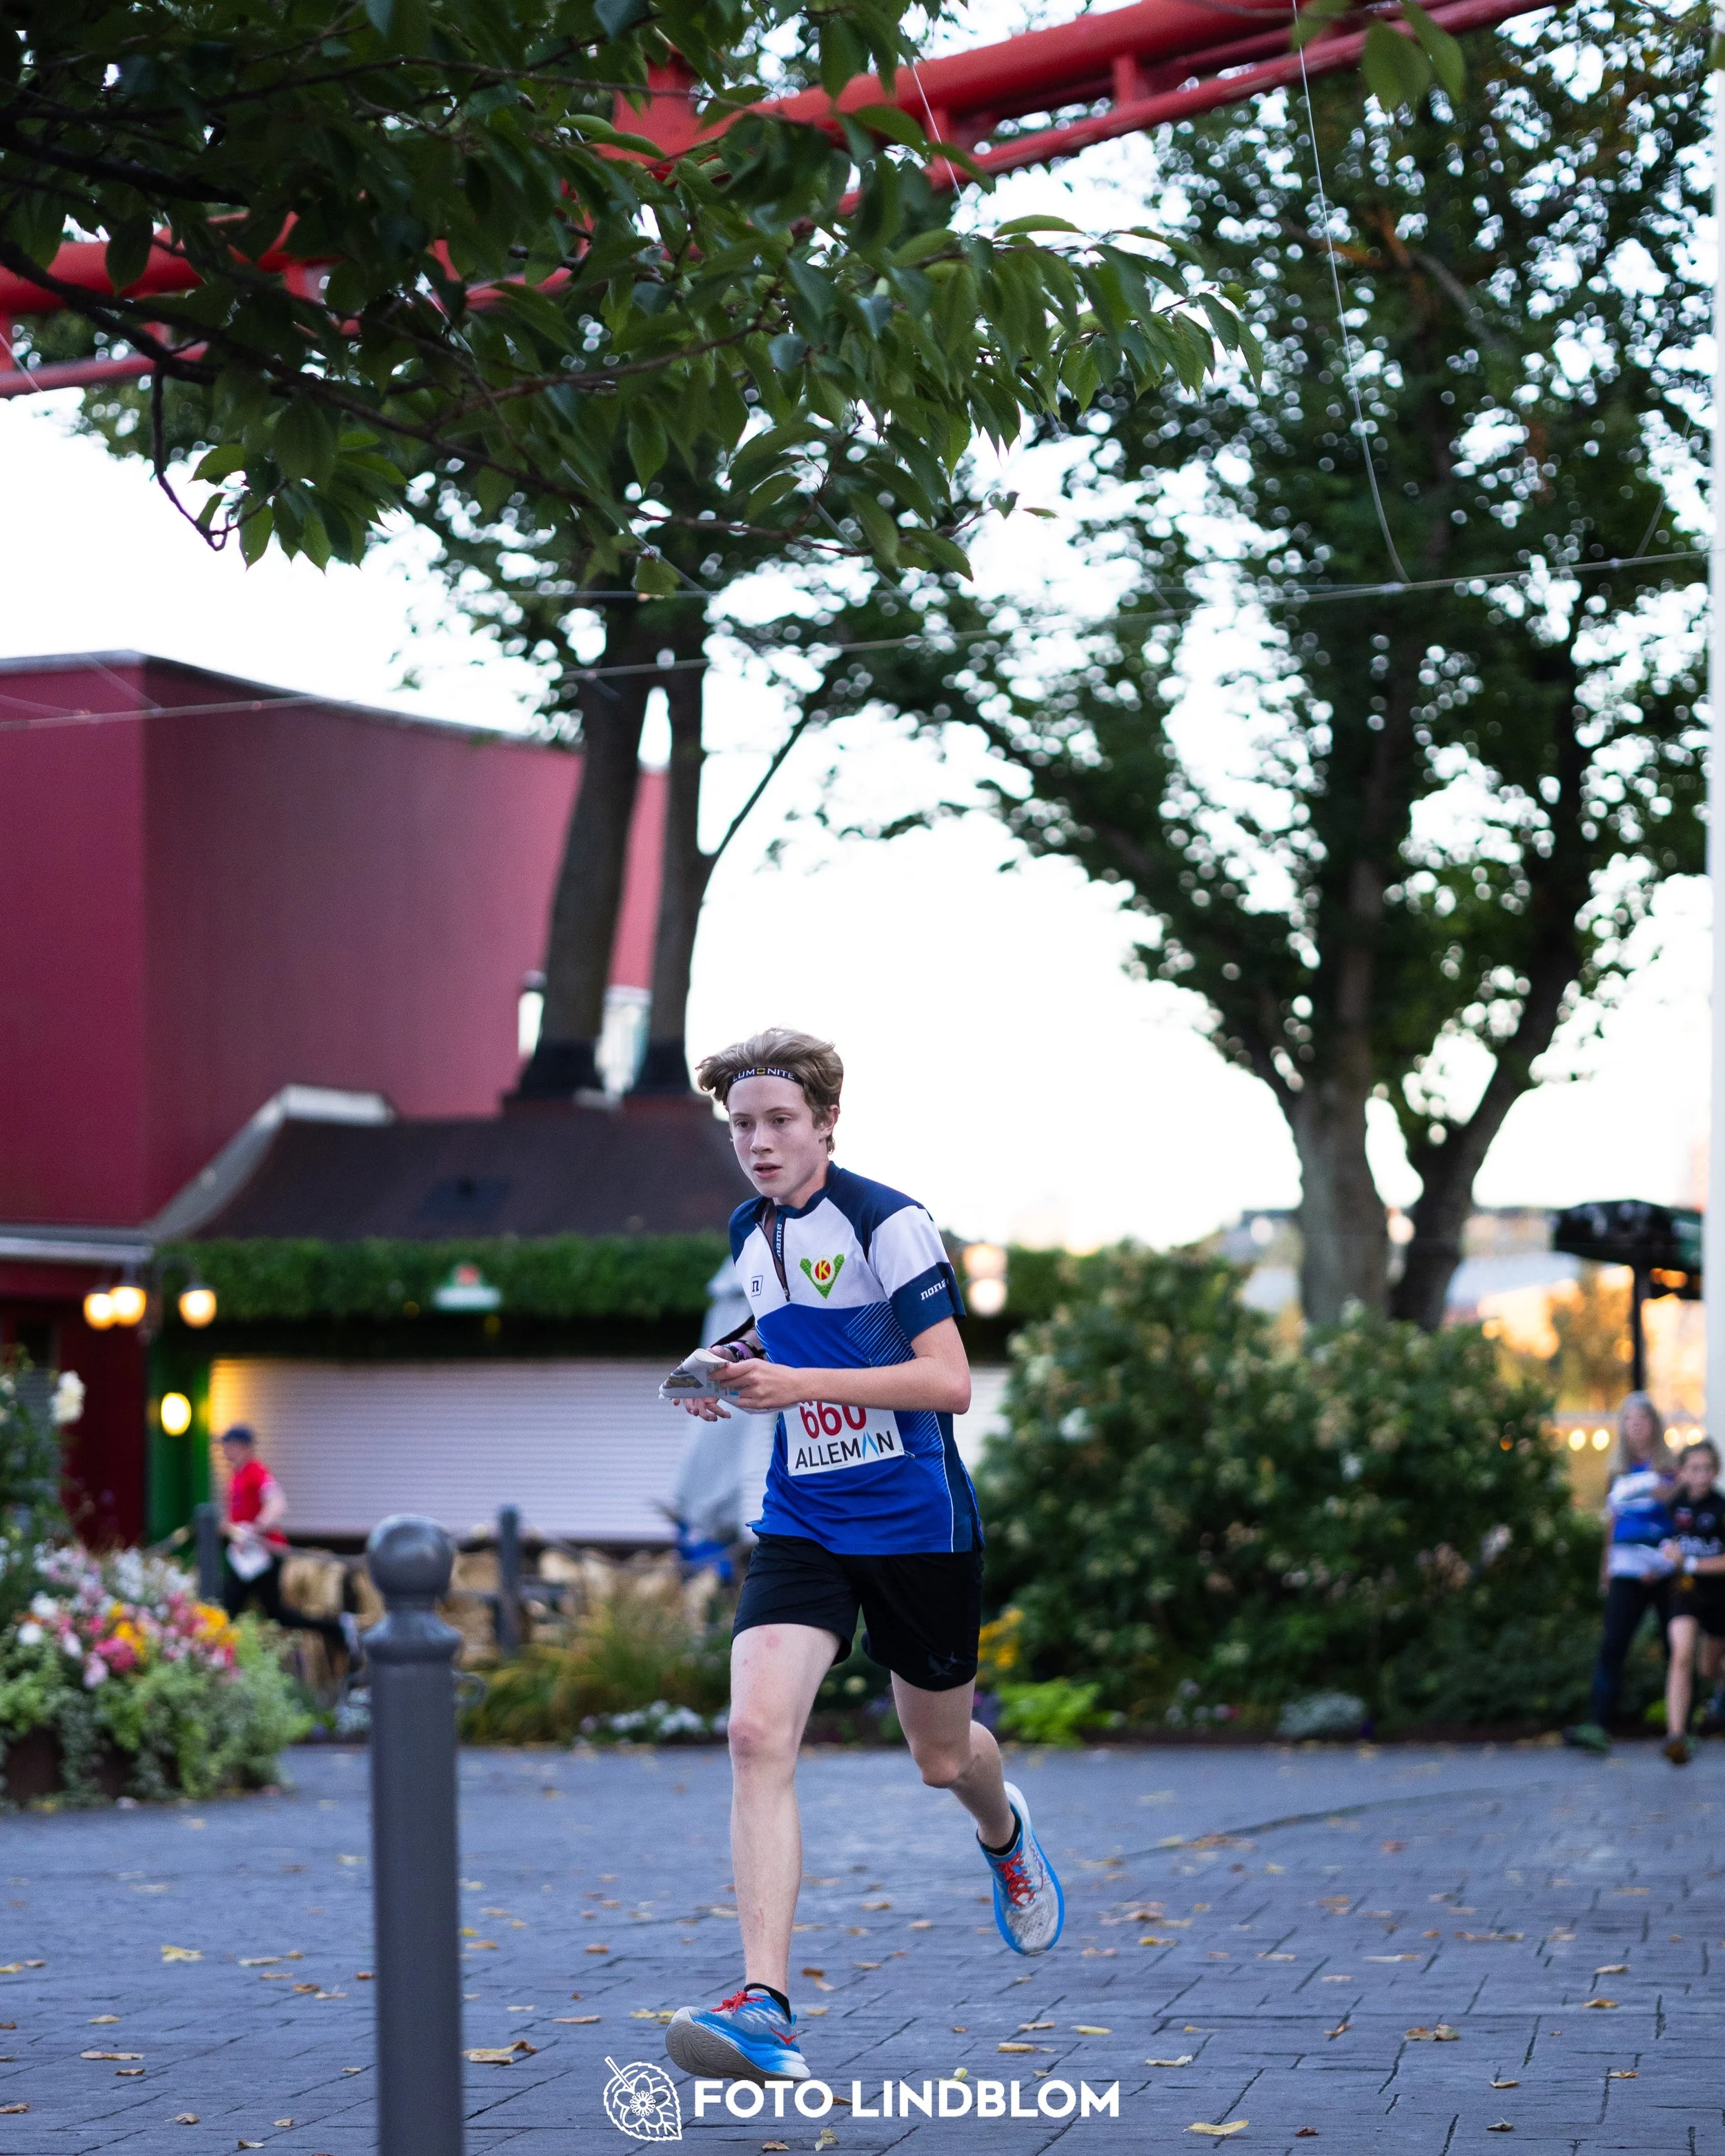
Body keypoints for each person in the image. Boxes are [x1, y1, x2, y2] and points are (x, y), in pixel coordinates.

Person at [662, 1029, 1063, 2088]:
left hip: (916, 1524)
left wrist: (802, 1386)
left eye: (780, 1122)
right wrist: (732, 1362)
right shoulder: (750, 1227)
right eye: (742, 1125)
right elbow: (788, 1323)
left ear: (827, 1122)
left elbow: (949, 1383)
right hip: (803, 1520)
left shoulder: (892, 1223)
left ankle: (1004, 1828)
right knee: (754, 1734)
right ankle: (766, 2007)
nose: (758, 1143)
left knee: (941, 1756)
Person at [1563, 1392, 1674, 1755]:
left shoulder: (1670, 1471)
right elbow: (1613, 1525)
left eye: (1641, 1421)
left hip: (1664, 1571)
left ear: (1655, 1425)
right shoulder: (1619, 1474)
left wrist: (1660, 1566)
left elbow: (1680, 1522)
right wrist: (1605, 1570)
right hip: (1625, 1570)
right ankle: (1597, 1725)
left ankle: (1681, 1727)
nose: (1635, 1428)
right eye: (1628, 1421)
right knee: (1612, 1646)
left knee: (1677, 1647)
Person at [217, 1425, 359, 1667]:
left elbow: (277, 1503)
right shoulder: (237, 1476)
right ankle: (336, 1627)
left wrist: (255, 1529)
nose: (225, 1451)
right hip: (247, 1556)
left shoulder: (256, 1472)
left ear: (243, 1447)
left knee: (230, 1607)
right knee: (276, 1614)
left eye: (229, 1445)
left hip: (263, 1555)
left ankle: (217, 1656)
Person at [1657, 1438, 1725, 1765]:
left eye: (1708, 1468)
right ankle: (1676, 1736)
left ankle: (1719, 1693)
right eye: (1695, 1468)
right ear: (1683, 1472)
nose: (1701, 1475)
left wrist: (1692, 1563)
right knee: (1681, 1655)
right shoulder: (1672, 1507)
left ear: (1716, 1471)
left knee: (1709, 1667)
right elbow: (1657, 1543)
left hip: (1719, 1596)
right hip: (1684, 1592)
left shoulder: (1722, 1507)